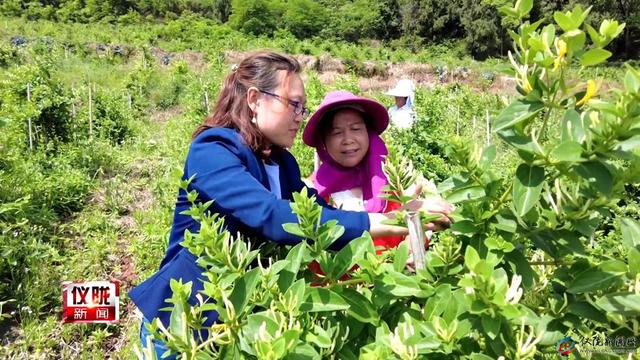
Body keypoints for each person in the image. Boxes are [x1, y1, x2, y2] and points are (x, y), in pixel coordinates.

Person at [128, 52, 451, 357]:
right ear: (255, 99)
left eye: (302, 108)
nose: (299, 117)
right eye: (294, 105)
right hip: (187, 320)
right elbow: (272, 215)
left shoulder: (282, 164)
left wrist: (410, 215)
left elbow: (320, 214)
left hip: (241, 318)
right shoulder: (213, 150)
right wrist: (387, 222)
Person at [303, 90, 437, 255]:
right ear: (323, 141)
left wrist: (410, 246)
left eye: (356, 128)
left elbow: (417, 233)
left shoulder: (393, 182)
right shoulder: (311, 192)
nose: (348, 139)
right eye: (337, 132)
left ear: (368, 133)